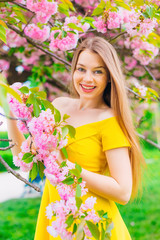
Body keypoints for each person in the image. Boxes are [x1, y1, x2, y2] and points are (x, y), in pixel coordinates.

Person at [8, 36, 145, 240]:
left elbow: (123, 192)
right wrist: (11, 110)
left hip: (91, 224)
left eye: (97, 71)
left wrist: (66, 167)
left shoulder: (110, 121)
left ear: (109, 77)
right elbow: (23, 157)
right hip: (56, 218)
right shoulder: (59, 106)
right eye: (81, 69)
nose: (87, 79)